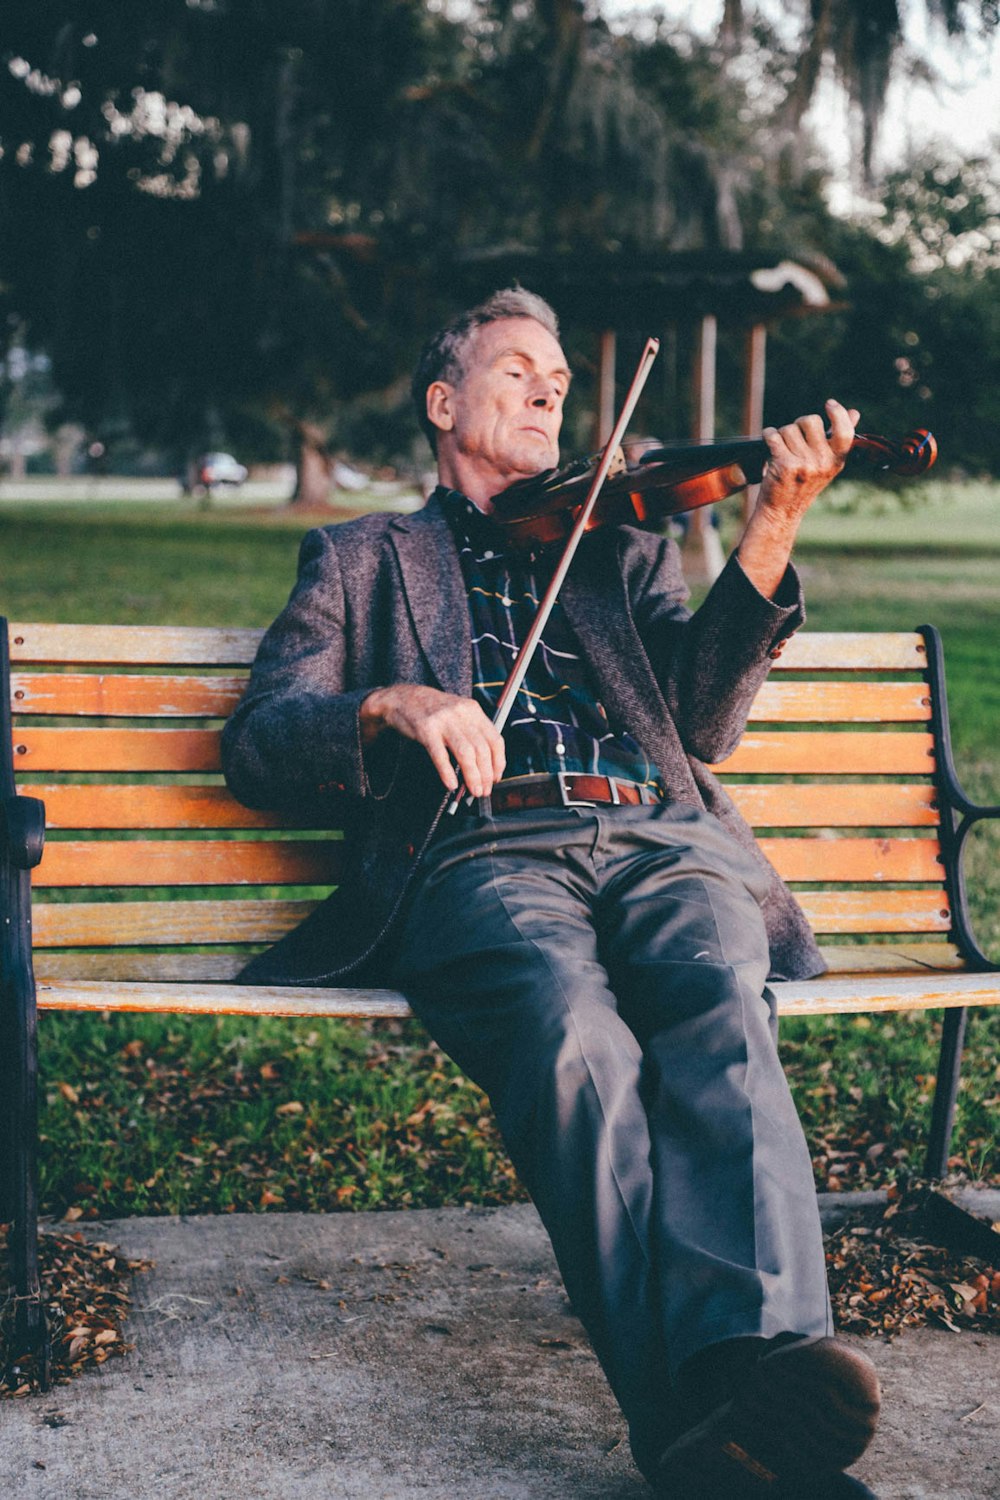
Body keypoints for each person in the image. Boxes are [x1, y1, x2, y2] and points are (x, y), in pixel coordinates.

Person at [221, 288, 882, 1498]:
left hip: (661, 836)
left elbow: (702, 724)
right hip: (482, 853)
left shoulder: (622, 539)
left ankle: (752, 1385)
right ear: (442, 402)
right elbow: (262, 740)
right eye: (516, 369)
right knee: (577, 1043)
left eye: (561, 381)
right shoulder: (364, 557)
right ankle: (711, 1424)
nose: (548, 392)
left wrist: (771, 528)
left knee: (719, 1013)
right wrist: (390, 704)